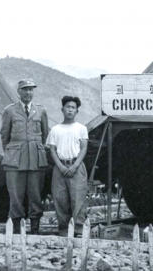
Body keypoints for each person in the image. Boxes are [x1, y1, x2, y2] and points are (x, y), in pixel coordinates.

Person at [0, 79, 49, 234]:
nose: (28, 93)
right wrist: (12, 152)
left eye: (31, 90)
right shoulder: (10, 111)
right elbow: (4, 136)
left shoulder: (40, 111)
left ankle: (35, 230)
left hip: (35, 158)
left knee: (35, 194)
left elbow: (45, 134)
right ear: (18, 91)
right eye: (25, 89)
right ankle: (16, 230)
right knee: (15, 195)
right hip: (15, 159)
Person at [47, 96, 89, 236]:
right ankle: (64, 229)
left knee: (78, 198)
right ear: (62, 109)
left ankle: (78, 229)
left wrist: (75, 166)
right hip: (60, 168)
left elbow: (83, 148)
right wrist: (60, 166)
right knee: (60, 199)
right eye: (67, 107)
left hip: (76, 167)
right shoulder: (55, 129)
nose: (70, 110)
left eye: (73, 107)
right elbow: (52, 149)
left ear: (77, 111)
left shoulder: (81, 128)